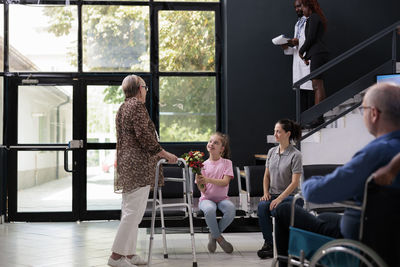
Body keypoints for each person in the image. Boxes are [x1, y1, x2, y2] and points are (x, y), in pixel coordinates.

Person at [274, 82, 400, 263]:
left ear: (374, 113)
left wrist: (312, 181)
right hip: (391, 242)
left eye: (363, 108)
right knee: (325, 217)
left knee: (285, 209)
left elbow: (315, 193)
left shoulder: (376, 153)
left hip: (358, 240)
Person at [108, 74, 178, 267]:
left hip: (129, 165)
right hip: (138, 166)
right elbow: (145, 137)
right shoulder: (137, 106)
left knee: (133, 212)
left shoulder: (123, 107)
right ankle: (115, 256)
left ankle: (129, 254)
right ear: (139, 89)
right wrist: (163, 153)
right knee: (133, 212)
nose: (146, 90)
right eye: (145, 87)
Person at [257, 119, 304, 259]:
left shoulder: (296, 155)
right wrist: (266, 193)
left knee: (277, 209)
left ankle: (283, 245)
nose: (275, 134)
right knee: (262, 206)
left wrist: (279, 198)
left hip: (290, 197)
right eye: (274, 131)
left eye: (278, 131)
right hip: (272, 195)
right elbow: (266, 176)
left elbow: (295, 182)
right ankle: (269, 244)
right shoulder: (271, 152)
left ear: (287, 134)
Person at [196, 132, 236, 254]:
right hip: (206, 199)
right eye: (210, 141)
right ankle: (219, 238)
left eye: (216, 142)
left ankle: (213, 235)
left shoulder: (227, 163)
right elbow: (202, 190)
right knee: (209, 210)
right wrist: (199, 180)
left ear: (222, 148)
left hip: (222, 199)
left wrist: (207, 180)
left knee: (231, 210)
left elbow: (224, 182)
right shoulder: (201, 165)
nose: (211, 144)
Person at [299, 0, 329, 126]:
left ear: (308, 7)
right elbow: (313, 39)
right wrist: (306, 55)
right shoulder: (314, 18)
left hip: (318, 54)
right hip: (316, 53)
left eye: (302, 7)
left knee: (317, 86)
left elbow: (311, 38)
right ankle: (319, 116)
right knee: (317, 85)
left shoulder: (314, 17)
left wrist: (301, 50)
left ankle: (319, 117)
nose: (301, 10)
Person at [282, 0, 313, 112]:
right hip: (298, 63)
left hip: (307, 60)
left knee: (310, 92)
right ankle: (303, 122)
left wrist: (297, 42)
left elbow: (310, 41)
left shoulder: (311, 21)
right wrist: (286, 46)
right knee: (301, 94)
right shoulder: (298, 24)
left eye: (299, 6)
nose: (297, 9)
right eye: (295, 7)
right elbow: (296, 48)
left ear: (305, 5)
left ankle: (312, 120)